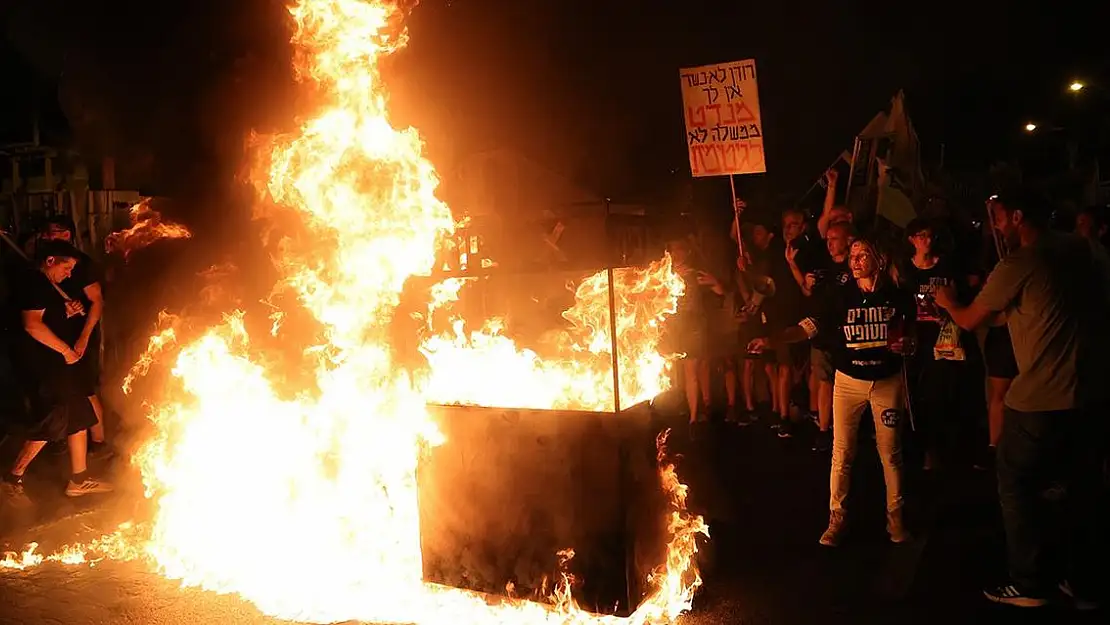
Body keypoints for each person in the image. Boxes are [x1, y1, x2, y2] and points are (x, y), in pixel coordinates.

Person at [935, 189, 1108, 609]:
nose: (994, 226)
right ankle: (1083, 583)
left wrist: (947, 301)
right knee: (1083, 490)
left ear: (1016, 217)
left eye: (996, 218)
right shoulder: (1086, 250)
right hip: (1091, 395)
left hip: (1039, 397)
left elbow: (972, 317)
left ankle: (1030, 581)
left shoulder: (1020, 262)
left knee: (1015, 483)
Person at [749, 236, 914, 546]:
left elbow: (911, 335)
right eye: (853, 255)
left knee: (890, 453)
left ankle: (896, 516)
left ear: (879, 259)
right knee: (842, 452)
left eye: (864, 254)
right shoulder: (840, 296)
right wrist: (773, 339)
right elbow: (808, 326)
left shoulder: (897, 296)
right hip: (848, 382)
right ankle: (836, 517)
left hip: (886, 381)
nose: (856, 261)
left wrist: (910, 345)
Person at [0, 239, 114, 505]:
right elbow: (32, 325)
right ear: (50, 260)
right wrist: (65, 350)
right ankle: (12, 478)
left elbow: (44, 314)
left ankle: (78, 480)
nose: (70, 274)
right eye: (67, 267)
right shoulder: (34, 283)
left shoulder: (46, 285)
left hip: (58, 366)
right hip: (43, 366)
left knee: (79, 415)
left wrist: (65, 311)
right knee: (54, 420)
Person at [901, 218, 984, 471]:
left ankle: (951, 450)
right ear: (912, 240)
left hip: (946, 339)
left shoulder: (946, 267)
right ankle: (928, 451)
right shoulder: (906, 271)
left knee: (948, 393)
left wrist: (946, 311)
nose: (926, 240)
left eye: (929, 235)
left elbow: (960, 296)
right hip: (919, 340)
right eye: (920, 236)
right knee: (923, 397)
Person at [38, 217, 112, 458]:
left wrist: (83, 338)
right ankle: (64, 436)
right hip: (59, 339)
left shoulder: (80, 264)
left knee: (85, 389)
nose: (53, 237)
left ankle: (99, 443)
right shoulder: (44, 265)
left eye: (60, 232)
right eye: (51, 233)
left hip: (80, 337)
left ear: (69, 235)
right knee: (66, 391)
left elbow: (97, 301)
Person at [802, 222, 854, 453]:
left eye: (835, 239)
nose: (830, 244)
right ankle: (824, 429)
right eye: (828, 239)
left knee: (849, 383)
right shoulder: (822, 267)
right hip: (823, 334)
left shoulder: (855, 267)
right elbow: (807, 292)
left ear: (848, 240)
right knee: (824, 381)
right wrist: (806, 282)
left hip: (849, 335)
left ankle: (848, 429)